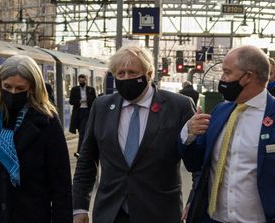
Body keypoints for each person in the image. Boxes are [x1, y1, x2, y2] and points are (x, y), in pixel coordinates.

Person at [72, 45, 195, 223]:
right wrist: (80, 207)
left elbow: (198, 162)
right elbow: (86, 161)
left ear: (149, 74)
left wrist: (194, 200)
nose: (126, 78)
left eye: (132, 73)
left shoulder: (179, 106)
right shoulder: (102, 106)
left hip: (159, 213)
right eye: (120, 74)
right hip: (111, 213)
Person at [0, 55, 72, 223]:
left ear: (32, 87)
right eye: (7, 87)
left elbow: (61, 186)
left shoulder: (47, 123)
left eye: (20, 88)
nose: (13, 93)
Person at [180, 45, 275, 223]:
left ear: (248, 77)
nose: (222, 78)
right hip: (212, 219)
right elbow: (197, 165)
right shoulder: (220, 111)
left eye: (227, 72)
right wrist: (189, 134)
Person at [69, 74, 96, 158]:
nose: (81, 82)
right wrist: (80, 101)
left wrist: (87, 100)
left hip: (87, 112)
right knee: (82, 132)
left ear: (86, 80)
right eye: (80, 81)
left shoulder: (91, 90)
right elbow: (71, 101)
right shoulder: (74, 89)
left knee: (83, 132)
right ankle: (83, 151)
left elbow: (94, 101)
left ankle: (81, 151)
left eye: (83, 81)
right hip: (78, 113)